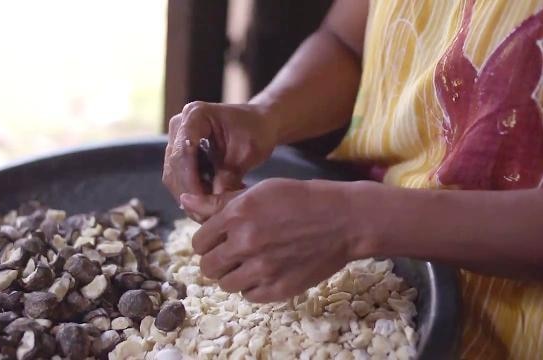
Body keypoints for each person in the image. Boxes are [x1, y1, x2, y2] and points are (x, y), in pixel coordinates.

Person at [162, 1, 543, 358]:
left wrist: (354, 220)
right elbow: (347, 43)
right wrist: (266, 113)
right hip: (369, 267)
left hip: (505, 332)